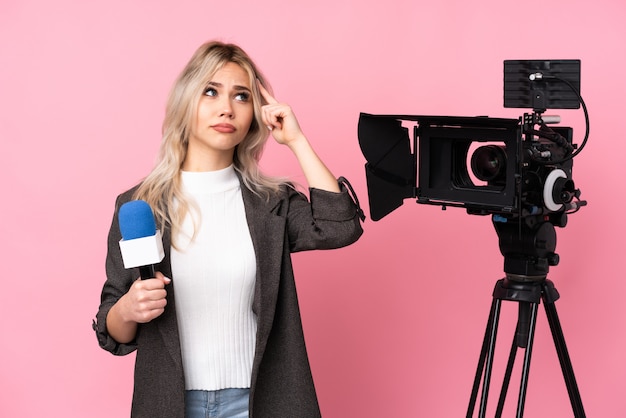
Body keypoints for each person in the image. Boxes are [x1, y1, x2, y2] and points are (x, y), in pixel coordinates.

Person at [93, 40, 364, 418]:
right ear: (186, 102)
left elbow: (340, 228)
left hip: (258, 402)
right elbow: (113, 331)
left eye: (241, 96)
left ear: (255, 113)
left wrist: (297, 141)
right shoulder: (140, 205)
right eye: (211, 91)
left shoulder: (271, 202)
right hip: (170, 404)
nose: (226, 108)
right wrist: (128, 309)